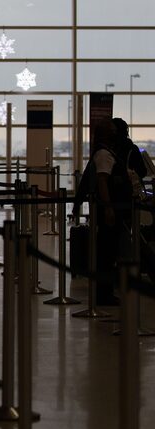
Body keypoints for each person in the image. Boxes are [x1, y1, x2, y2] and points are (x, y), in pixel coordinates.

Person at [93, 118, 128, 305]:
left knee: (109, 251)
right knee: (106, 252)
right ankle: (103, 294)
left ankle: (106, 292)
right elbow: (102, 181)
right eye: (112, 130)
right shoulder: (104, 155)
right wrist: (108, 208)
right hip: (111, 209)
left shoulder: (107, 153)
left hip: (113, 207)